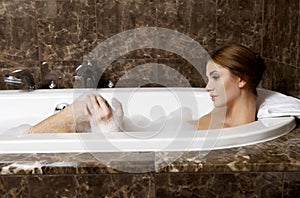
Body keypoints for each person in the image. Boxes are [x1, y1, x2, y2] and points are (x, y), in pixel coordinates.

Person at [29, 44, 266, 133]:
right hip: (149, 130)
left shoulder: (228, 127)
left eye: (215, 78)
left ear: (242, 79)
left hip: (146, 137)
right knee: (77, 113)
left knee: (74, 115)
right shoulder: (223, 116)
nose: (206, 87)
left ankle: (28, 138)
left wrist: (111, 131)